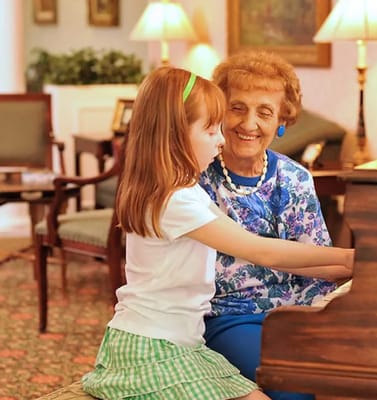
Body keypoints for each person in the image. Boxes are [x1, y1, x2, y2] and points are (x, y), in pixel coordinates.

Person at [81, 65, 354, 400]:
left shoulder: (184, 190)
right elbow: (261, 251)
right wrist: (351, 257)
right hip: (154, 347)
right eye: (212, 129)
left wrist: (360, 265)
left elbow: (263, 248)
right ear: (177, 133)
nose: (223, 137)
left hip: (177, 341)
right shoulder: (176, 199)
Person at [199, 51, 344, 400]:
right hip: (229, 315)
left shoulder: (295, 178)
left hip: (295, 313)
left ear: (281, 120)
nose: (248, 124)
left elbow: (317, 259)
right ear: (219, 112)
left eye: (264, 112)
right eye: (237, 107)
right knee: (291, 388)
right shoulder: (199, 178)